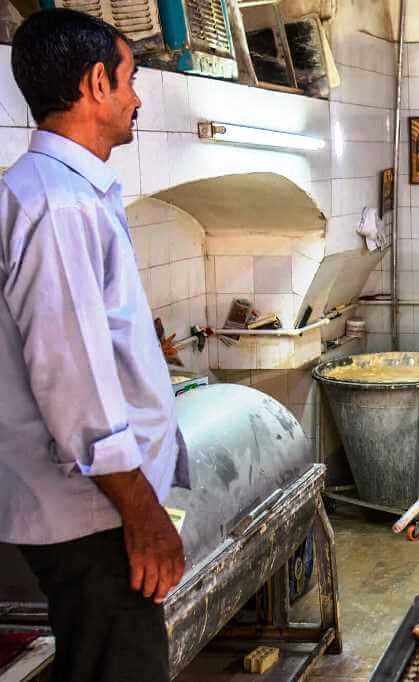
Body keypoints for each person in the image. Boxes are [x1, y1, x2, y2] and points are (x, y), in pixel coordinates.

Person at [0, 9, 188, 681]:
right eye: (131, 78)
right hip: (93, 516)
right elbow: (70, 379)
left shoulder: (64, 194)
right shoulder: (59, 206)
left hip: (96, 509)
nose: (137, 98)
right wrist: (143, 513)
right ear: (95, 82)